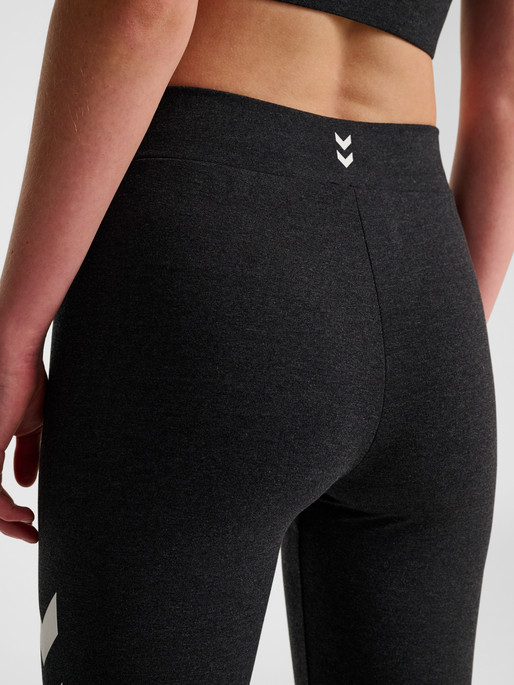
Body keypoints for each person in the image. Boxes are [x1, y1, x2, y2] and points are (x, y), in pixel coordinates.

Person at [0, 0, 512, 682]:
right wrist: (426, 345)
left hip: (212, 236)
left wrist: (13, 336)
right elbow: (505, 101)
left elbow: (141, 13)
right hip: (427, 281)